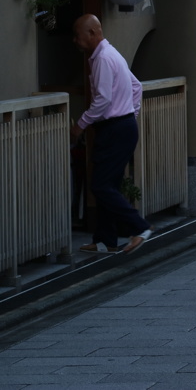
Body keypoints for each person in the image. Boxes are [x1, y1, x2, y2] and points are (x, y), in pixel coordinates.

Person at [70, 14, 153, 254]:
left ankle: (140, 227)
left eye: (78, 35)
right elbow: (136, 87)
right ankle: (105, 240)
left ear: (93, 33)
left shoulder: (103, 59)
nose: (75, 40)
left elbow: (103, 100)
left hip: (116, 128)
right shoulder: (110, 54)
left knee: (101, 186)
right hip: (122, 126)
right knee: (108, 185)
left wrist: (80, 125)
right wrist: (130, 115)